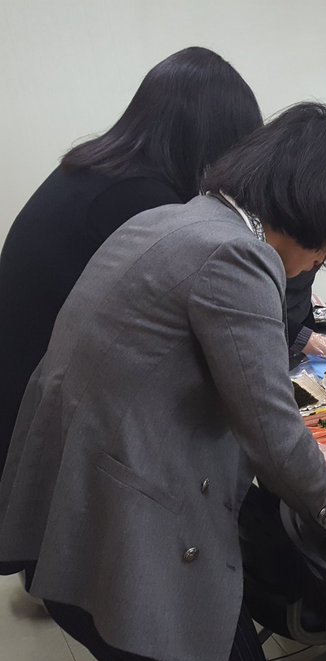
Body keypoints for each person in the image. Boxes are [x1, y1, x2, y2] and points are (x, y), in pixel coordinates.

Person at [0, 103, 326, 661]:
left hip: (72, 522)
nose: (319, 263)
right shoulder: (237, 255)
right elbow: (272, 432)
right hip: (131, 545)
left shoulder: (172, 218)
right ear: (315, 207)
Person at [0, 46, 262, 474]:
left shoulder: (98, 168)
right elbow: (192, 328)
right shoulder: (139, 199)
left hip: (30, 387)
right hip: (41, 422)